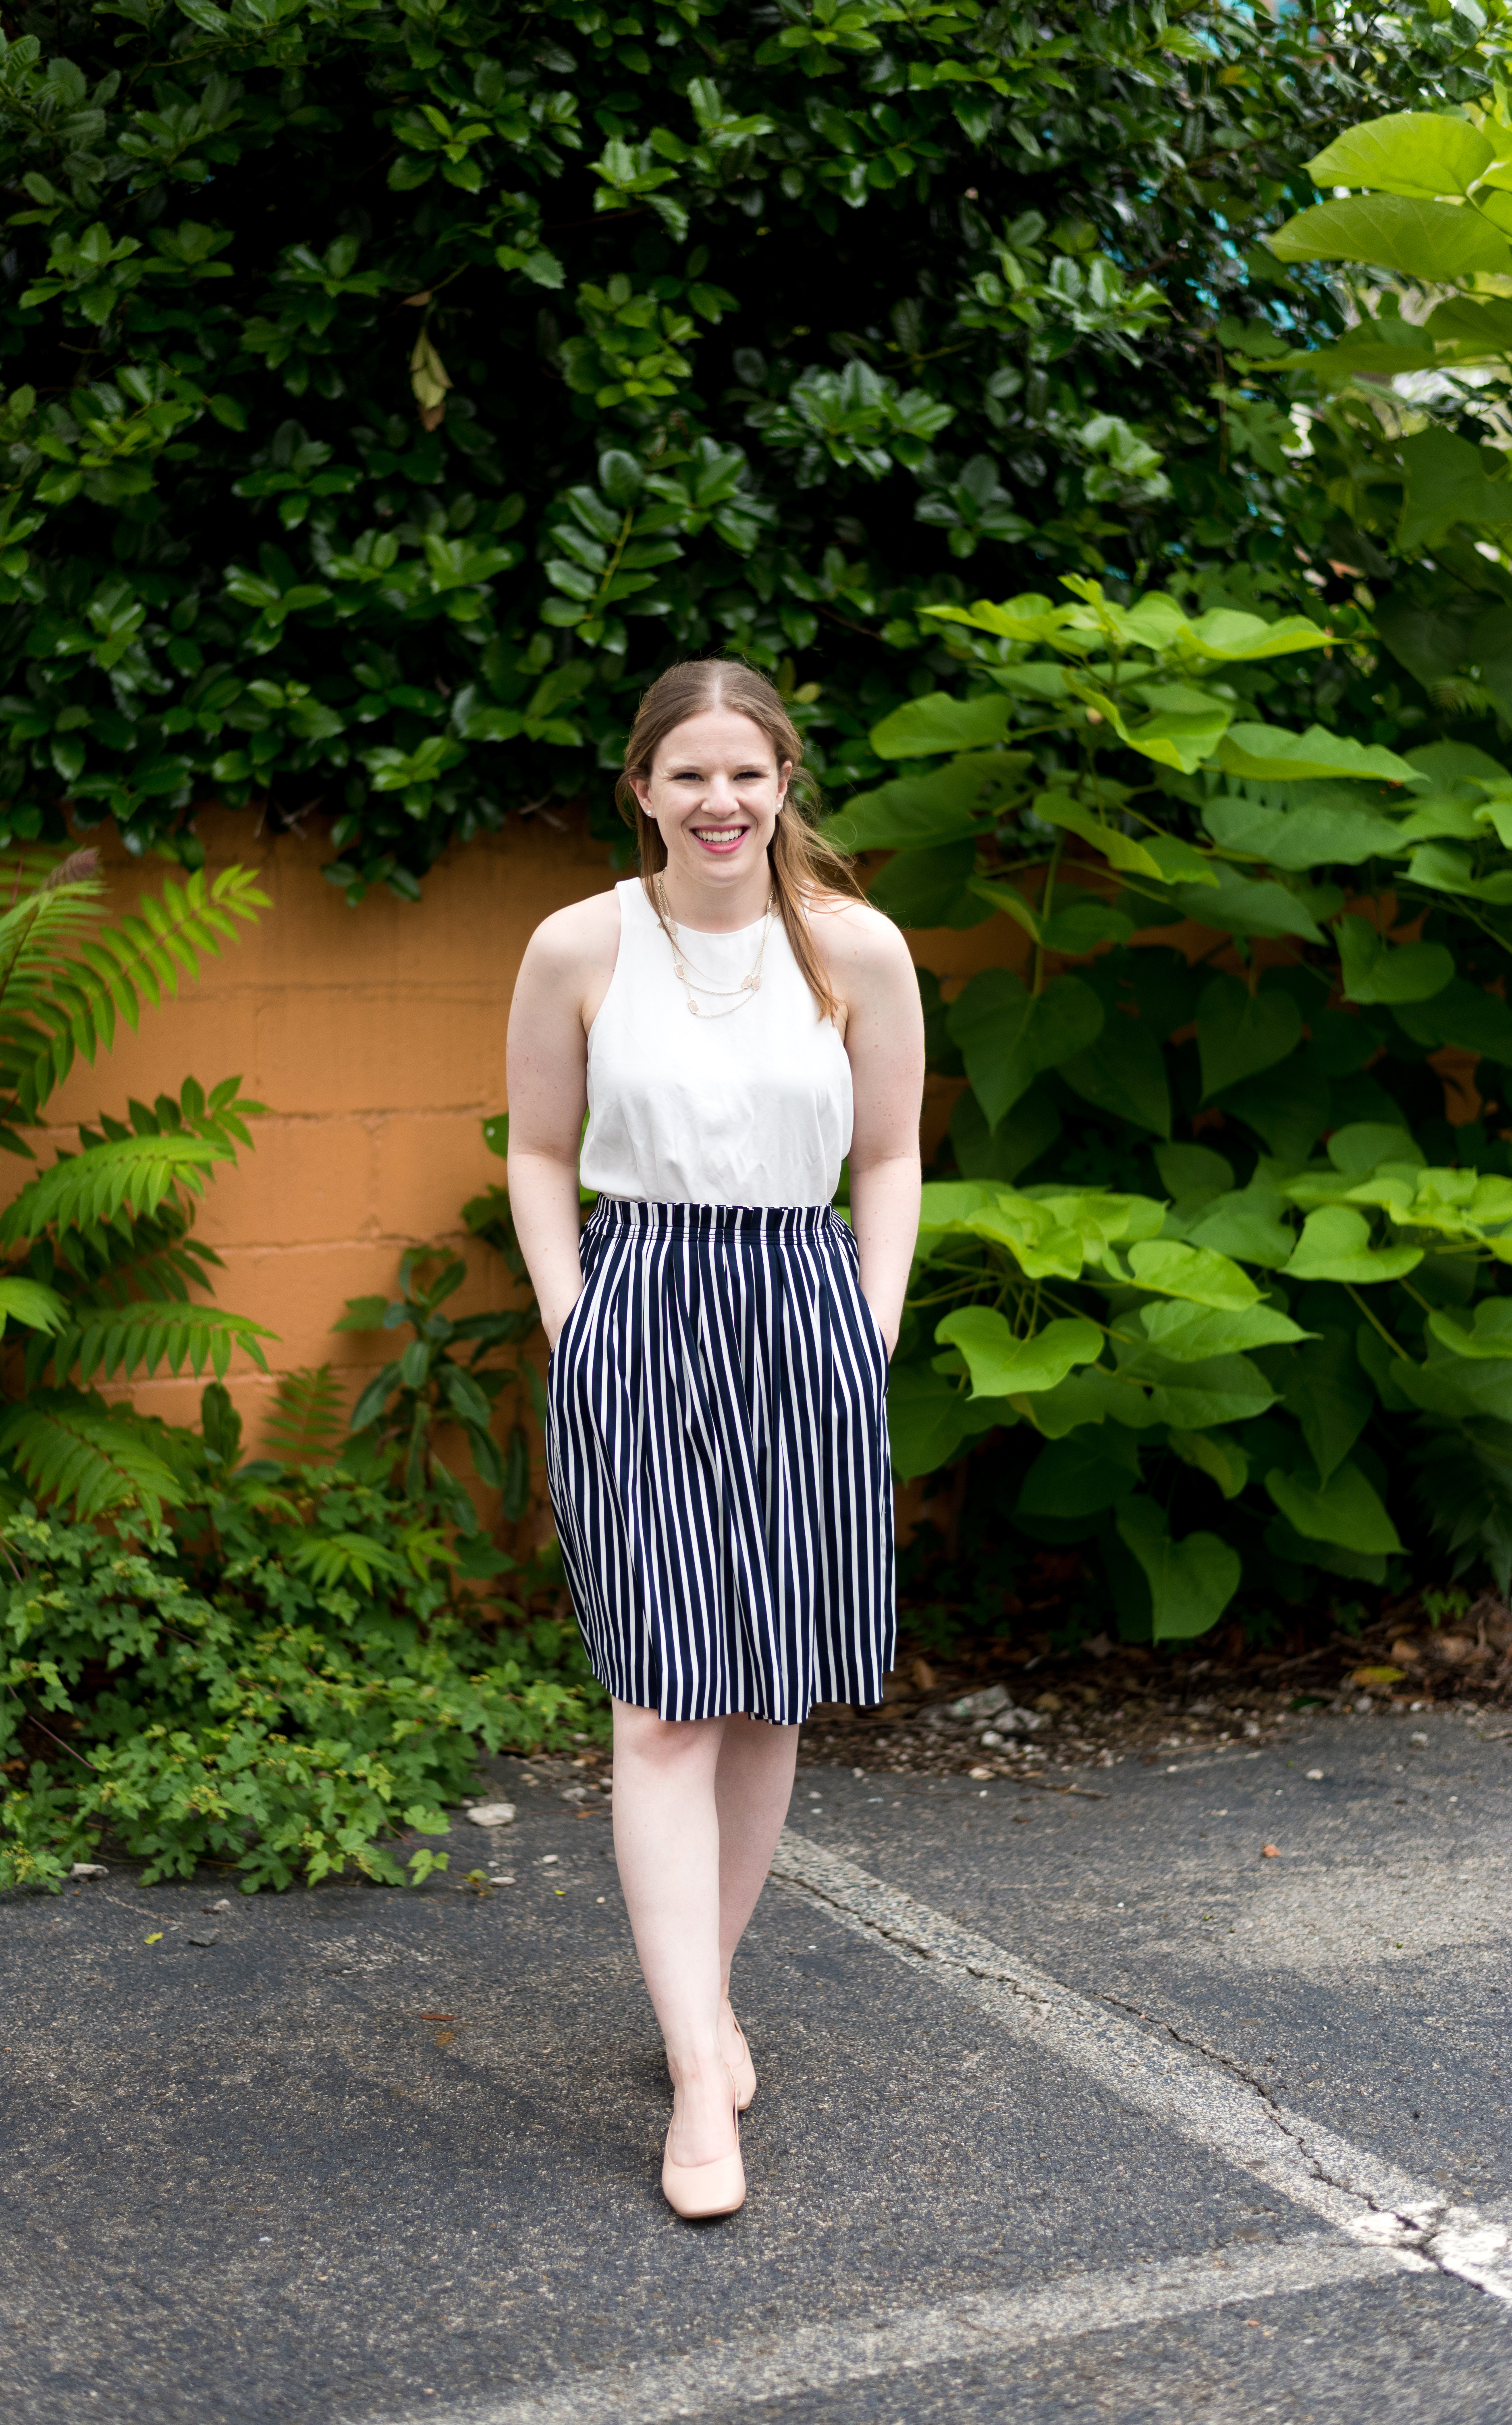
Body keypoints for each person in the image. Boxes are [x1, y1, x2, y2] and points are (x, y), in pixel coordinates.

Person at [505, 656, 924, 2218]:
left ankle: (705, 1998)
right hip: (642, 1292)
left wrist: (866, 1325)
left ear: (781, 784)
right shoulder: (577, 944)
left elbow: (886, 1156)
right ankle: (697, 2070)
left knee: (766, 1697)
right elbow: (538, 1151)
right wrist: (573, 1319)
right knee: (662, 1702)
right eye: (688, 772)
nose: (719, 801)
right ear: (641, 789)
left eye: (744, 772)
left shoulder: (855, 950)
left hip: (803, 1299)